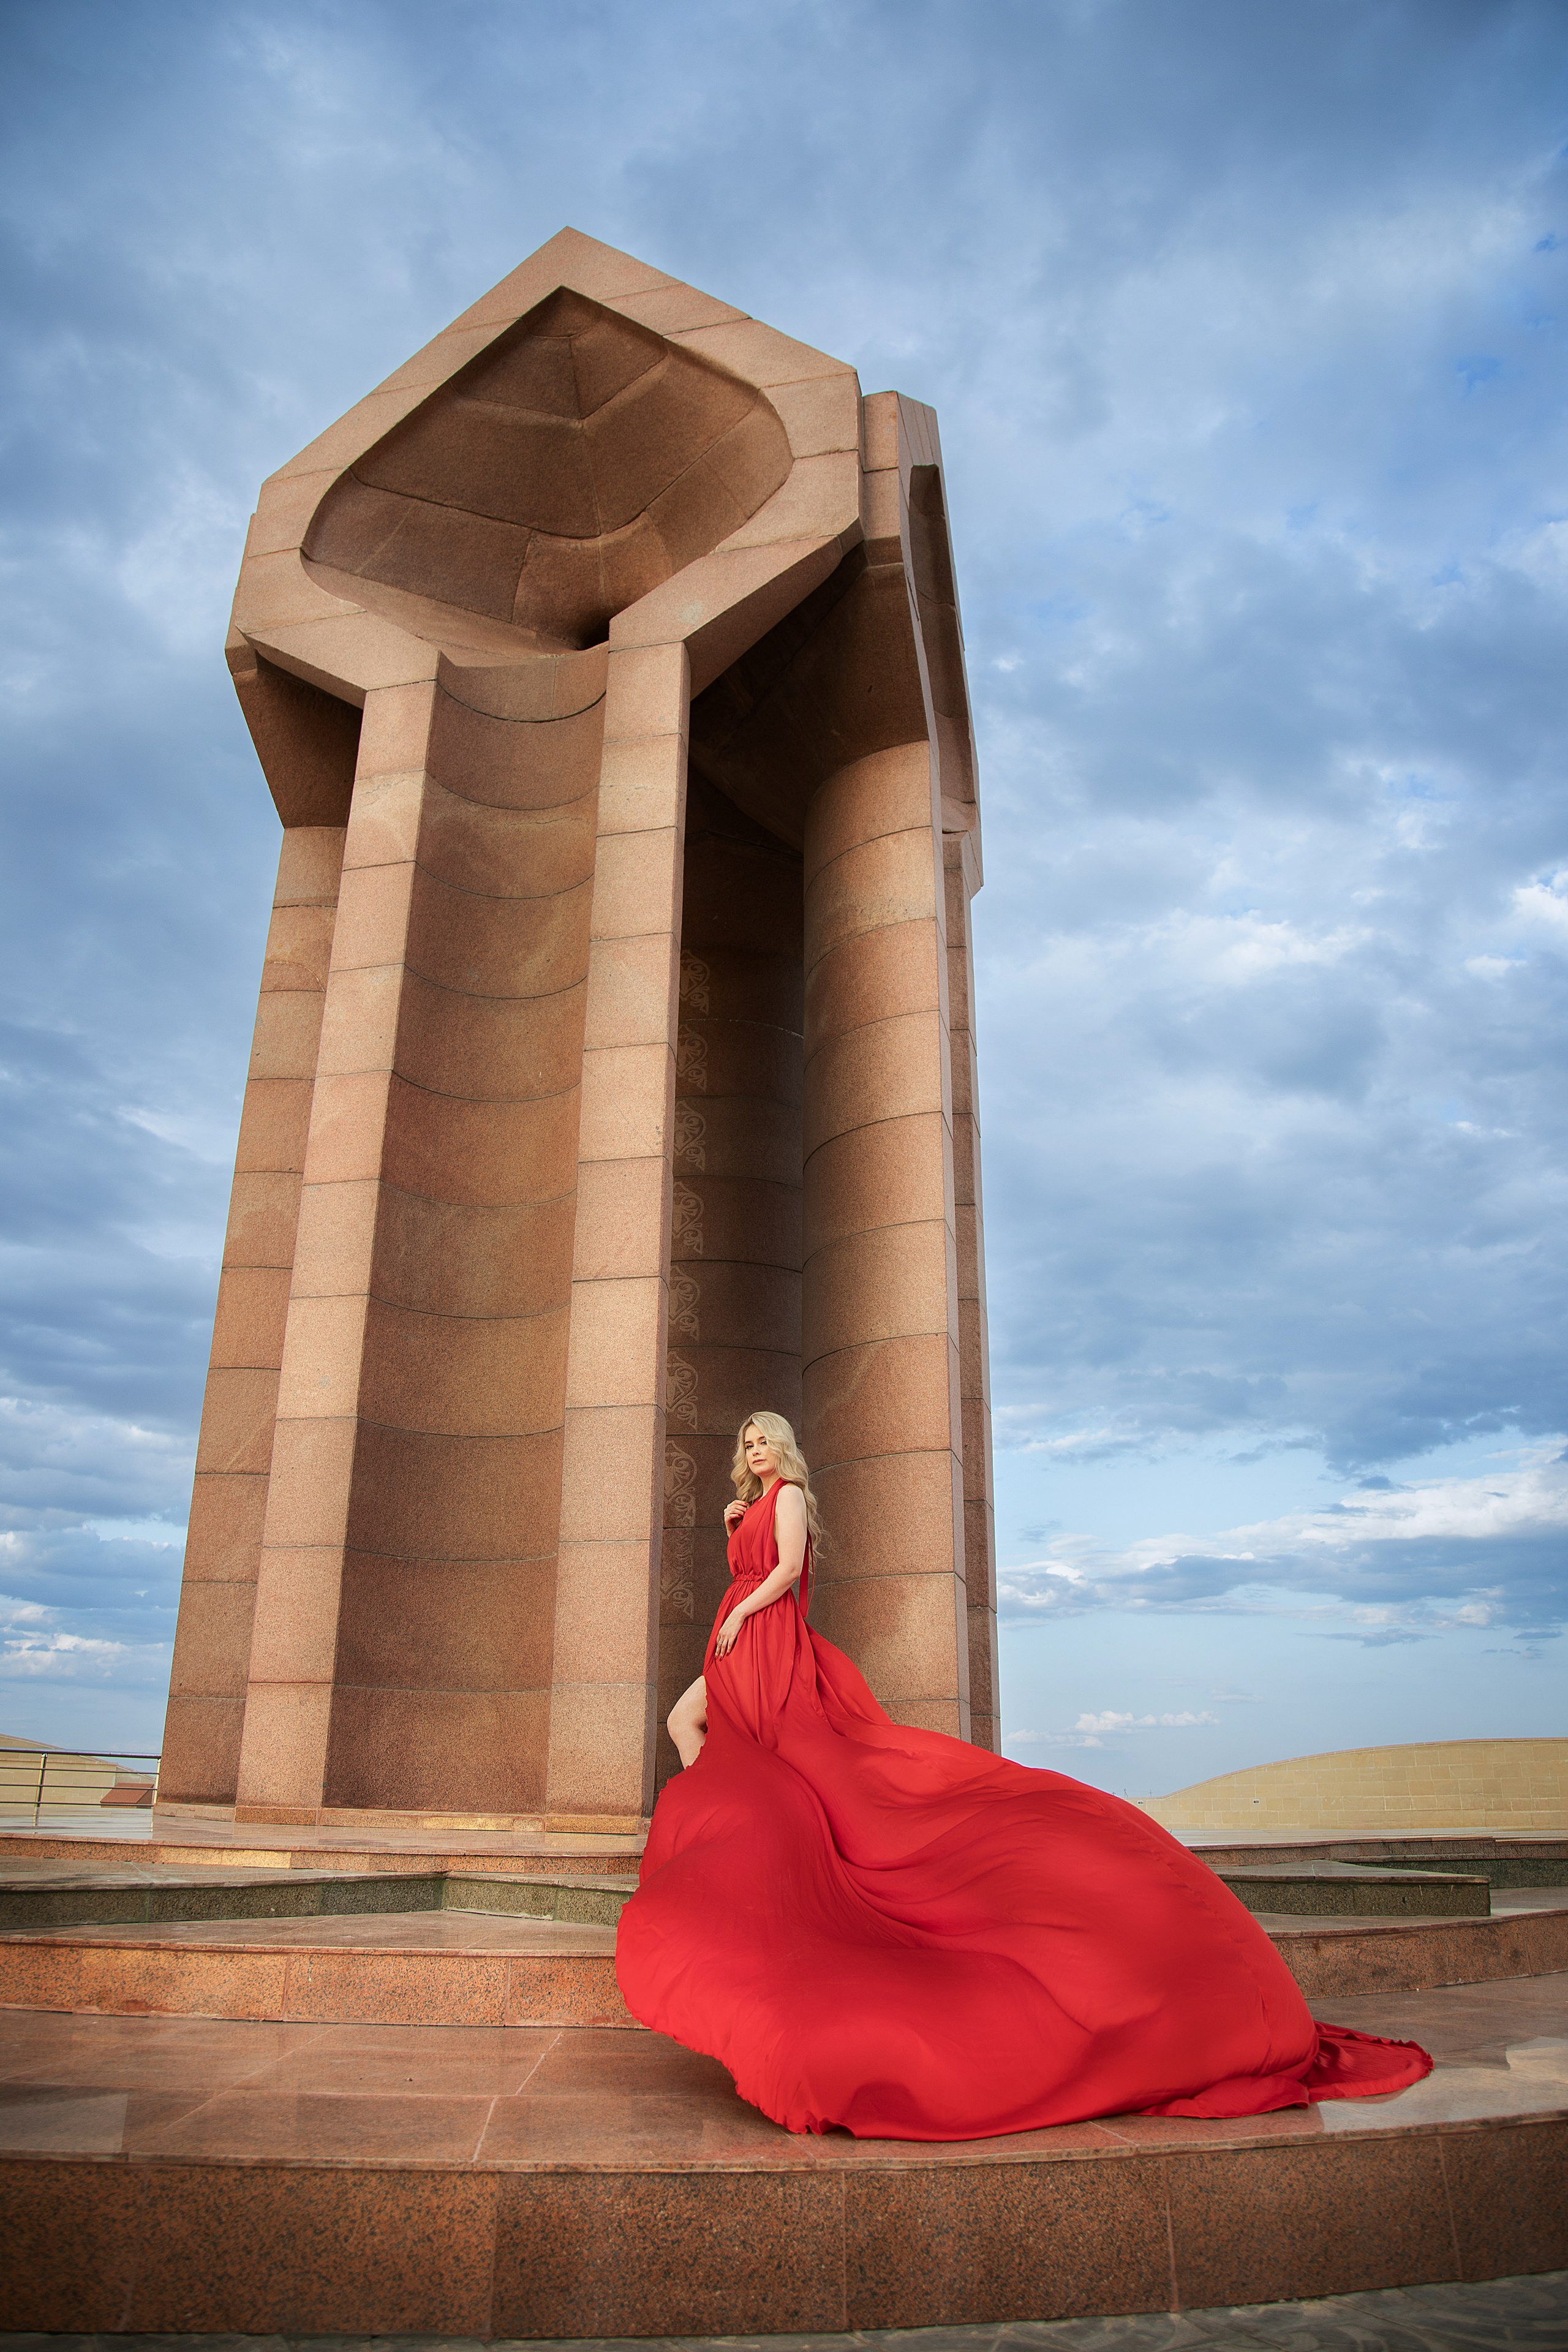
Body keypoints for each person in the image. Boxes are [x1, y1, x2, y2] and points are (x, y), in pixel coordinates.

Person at [616, 1411, 1431, 2141]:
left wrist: (743, 1611)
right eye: (748, 1441)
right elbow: (750, 1562)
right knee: (694, 1729)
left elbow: (789, 1572)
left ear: (784, 1447)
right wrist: (732, 1530)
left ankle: (728, 1854)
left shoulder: (791, 1494)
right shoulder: (751, 1503)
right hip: (737, 1641)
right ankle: (723, 1851)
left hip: (765, 1641)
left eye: (765, 1438)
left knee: (780, 1763)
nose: (756, 1448)